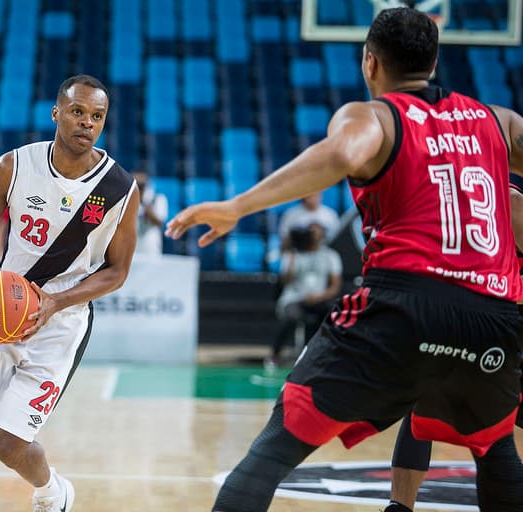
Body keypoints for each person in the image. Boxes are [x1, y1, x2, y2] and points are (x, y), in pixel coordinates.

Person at [166, 7, 523, 511]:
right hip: (494, 314)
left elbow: (342, 155)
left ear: (369, 63)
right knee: (494, 444)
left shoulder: (374, 115)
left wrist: (237, 206)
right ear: (435, 60)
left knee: (276, 445)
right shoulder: (498, 121)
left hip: (405, 304)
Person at [0, 74, 140, 512]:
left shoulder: (119, 189)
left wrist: (56, 302)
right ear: (57, 113)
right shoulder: (13, 165)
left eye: (96, 116)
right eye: (78, 112)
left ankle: (51, 491)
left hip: (60, 325)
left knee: (7, 444)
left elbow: (118, 271)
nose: (86, 123)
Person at [385, 176, 523, 512]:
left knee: (427, 404)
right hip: (486, 318)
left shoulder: (454, 191)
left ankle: (399, 507)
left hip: (463, 315)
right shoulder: (504, 196)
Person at [267, 222, 342, 367]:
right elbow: (285, 281)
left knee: (332, 314)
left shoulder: (330, 255)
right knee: (291, 316)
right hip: (294, 298)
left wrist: (320, 297)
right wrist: (291, 254)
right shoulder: (293, 254)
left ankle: (322, 353)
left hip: (320, 297)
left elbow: (335, 286)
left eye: (316, 233)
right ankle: (275, 354)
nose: (312, 236)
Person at [133, 170, 168, 256]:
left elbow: (161, 223)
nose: (139, 188)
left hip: (150, 245)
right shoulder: (127, 200)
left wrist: (147, 209)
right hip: (133, 245)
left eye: (141, 186)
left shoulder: (158, 198)